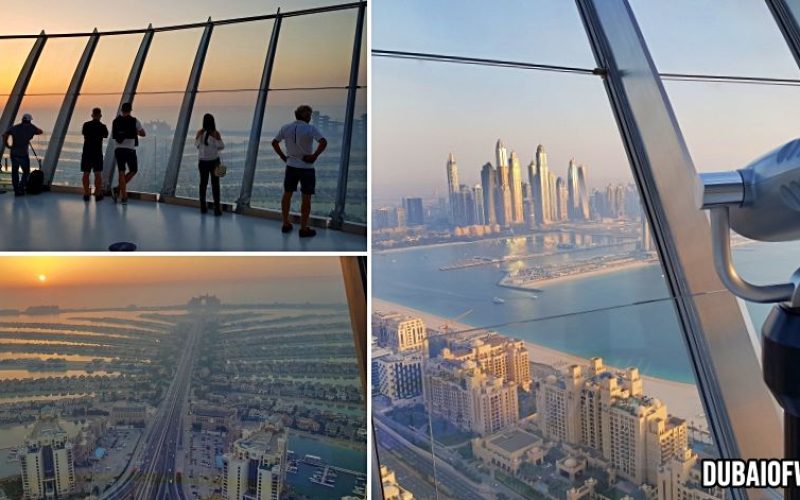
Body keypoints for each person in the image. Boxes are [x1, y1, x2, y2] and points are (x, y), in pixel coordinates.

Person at [272, 104, 328, 238]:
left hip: (291, 165)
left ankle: (286, 223)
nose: (310, 117)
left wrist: (283, 157)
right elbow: (323, 142)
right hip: (307, 168)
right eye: (309, 114)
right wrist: (314, 156)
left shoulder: (286, 127)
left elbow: (274, 142)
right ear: (306, 116)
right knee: (306, 197)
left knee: (287, 194)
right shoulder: (310, 128)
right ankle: (303, 228)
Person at [111, 102, 145, 205]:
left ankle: (121, 192)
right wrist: (135, 132)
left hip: (119, 149)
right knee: (133, 170)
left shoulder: (116, 121)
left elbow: (114, 135)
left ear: (121, 110)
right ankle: (121, 193)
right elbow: (143, 133)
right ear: (130, 110)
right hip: (130, 149)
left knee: (121, 171)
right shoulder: (134, 121)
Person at [2, 113, 43, 196]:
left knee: (15, 172)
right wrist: (29, 134)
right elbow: (40, 131)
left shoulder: (15, 127)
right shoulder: (31, 128)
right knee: (26, 172)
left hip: (14, 154)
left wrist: (7, 145)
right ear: (30, 121)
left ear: (22, 120)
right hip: (23, 155)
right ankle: (21, 187)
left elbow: (4, 134)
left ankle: (16, 190)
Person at [195, 113, 224, 216]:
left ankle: (203, 207)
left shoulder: (199, 133)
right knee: (215, 185)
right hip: (214, 162)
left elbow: (197, 145)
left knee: (203, 184)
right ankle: (217, 209)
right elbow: (221, 146)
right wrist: (214, 140)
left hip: (202, 162)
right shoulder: (215, 133)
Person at [81, 108, 109, 201]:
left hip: (87, 152)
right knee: (98, 174)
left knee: (86, 173)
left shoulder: (86, 125)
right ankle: (97, 194)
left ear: (92, 115)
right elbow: (106, 135)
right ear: (100, 115)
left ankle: (86, 194)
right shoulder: (103, 126)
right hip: (97, 152)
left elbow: (84, 134)